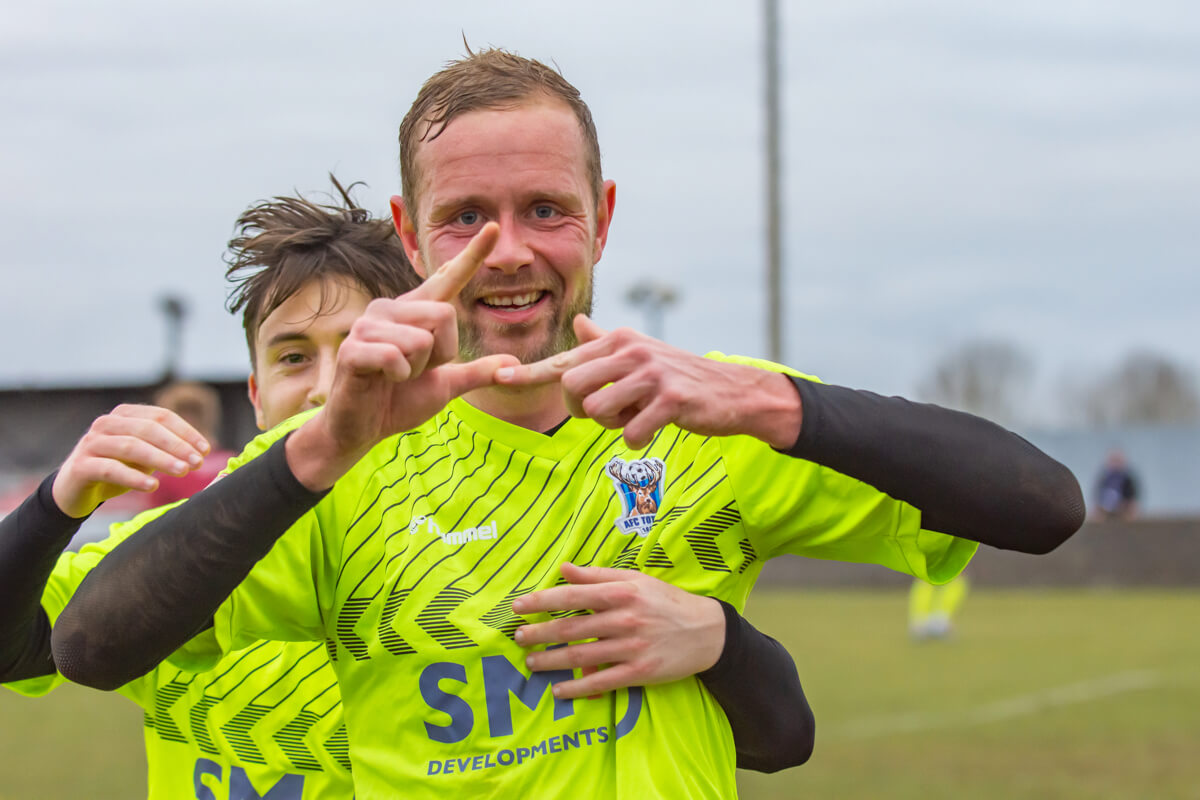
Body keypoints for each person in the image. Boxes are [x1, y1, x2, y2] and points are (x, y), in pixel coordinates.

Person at [56, 50, 1084, 799]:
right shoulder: (339, 453)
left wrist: (772, 403)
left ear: (604, 214)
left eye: (546, 208)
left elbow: (1043, 507)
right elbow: (93, 643)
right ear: (410, 235)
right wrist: (318, 453)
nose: (507, 251)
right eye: (465, 217)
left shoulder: (715, 411)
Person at [2, 177, 812, 797]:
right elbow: (25, 647)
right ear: (252, 393)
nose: (327, 389)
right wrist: (53, 506)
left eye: (360, 352)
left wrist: (721, 637)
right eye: (292, 357)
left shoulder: (494, 565)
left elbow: (780, 734)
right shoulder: (164, 585)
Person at [140, 381, 235, 509]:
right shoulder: (231, 462)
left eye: (193, 412)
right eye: (183, 413)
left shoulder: (230, 463)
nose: (189, 419)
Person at [1094, 448, 1140, 520]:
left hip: (1123, 509)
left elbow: (1132, 499)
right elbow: (1098, 497)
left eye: (1117, 461)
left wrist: (1123, 505)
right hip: (1106, 510)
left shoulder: (1127, 479)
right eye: (1114, 461)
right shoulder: (1104, 479)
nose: (1115, 464)